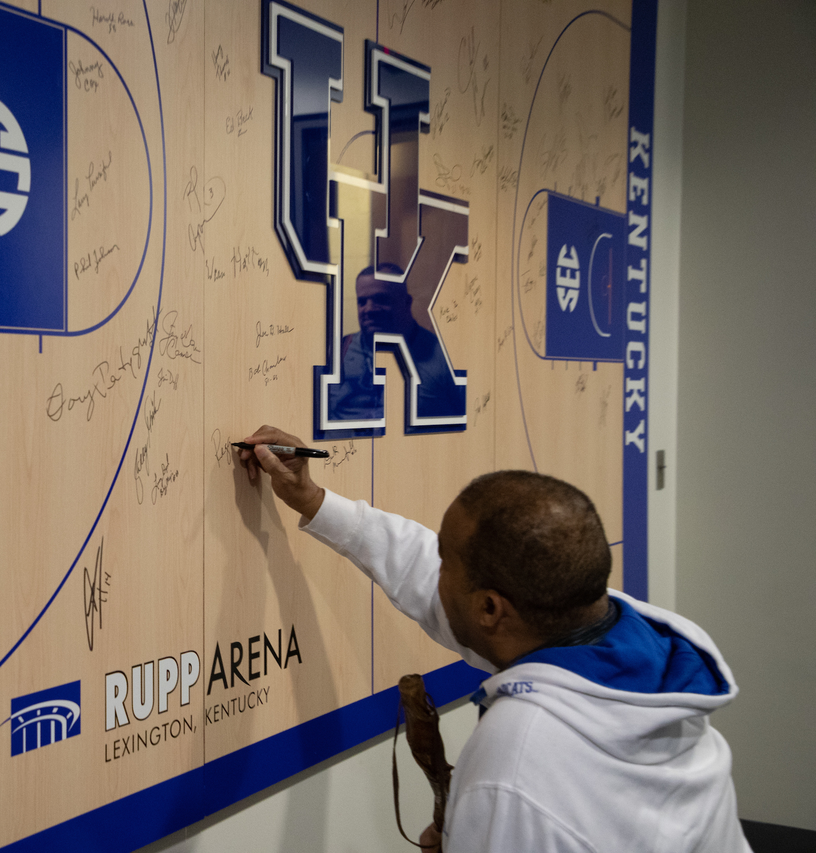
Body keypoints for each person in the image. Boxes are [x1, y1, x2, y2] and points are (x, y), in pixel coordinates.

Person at [237, 425, 751, 853]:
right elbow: (421, 569)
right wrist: (314, 501)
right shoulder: (630, 652)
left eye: (447, 560)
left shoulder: (516, 765)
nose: (434, 570)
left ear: (489, 608)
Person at [328, 265, 463, 422]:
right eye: (362, 302)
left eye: (381, 299)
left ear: (407, 302)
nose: (369, 309)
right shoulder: (339, 351)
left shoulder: (445, 356)